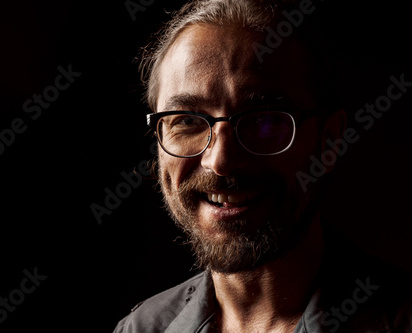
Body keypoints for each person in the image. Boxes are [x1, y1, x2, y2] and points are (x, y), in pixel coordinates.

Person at [114, 0, 412, 331]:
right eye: (186, 120)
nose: (220, 161)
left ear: (329, 140)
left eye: (264, 121)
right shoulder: (139, 329)